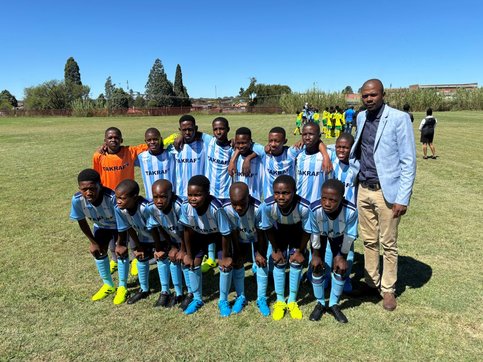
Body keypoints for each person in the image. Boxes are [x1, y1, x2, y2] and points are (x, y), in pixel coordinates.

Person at [350, 78, 416, 311]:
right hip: (364, 189)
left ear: (382, 94)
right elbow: (357, 149)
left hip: (386, 192)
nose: (368, 99)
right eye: (365, 96)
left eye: (373, 95)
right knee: (368, 241)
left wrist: (402, 197)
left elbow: (408, 161)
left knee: (388, 243)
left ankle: (388, 289)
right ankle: (371, 282)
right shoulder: (360, 117)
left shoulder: (399, 119)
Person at [93, 127, 148, 274]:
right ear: (105, 141)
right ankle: (115, 260)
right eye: (110, 138)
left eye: (116, 137)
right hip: (108, 201)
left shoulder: (129, 152)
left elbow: (151, 142)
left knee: (130, 229)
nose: (113, 140)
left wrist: (171, 139)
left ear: (121, 140)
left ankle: (136, 258)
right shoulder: (99, 156)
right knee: (112, 230)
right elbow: (96, 179)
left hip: (127, 200)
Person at [179, 175, 233, 316]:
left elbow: (225, 234)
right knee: (193, 263)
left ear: (207, 194)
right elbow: (186, 231)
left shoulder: (216, 208)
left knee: (225, 266)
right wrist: (188, 254)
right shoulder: (186, 206)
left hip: (217, 236)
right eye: (190, 195)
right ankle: (197, 299)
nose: (193, 198)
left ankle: (223, 300)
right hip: (198, 235)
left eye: (197, 195)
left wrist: (225, 256)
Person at [260, 175, 311, 320]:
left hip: (297, 233)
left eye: (286, 193)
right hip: (279, 233)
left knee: (296, 261)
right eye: (277, 193)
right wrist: (275, 250)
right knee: (279, 262)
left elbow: (307, 231)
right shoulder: (267, 206)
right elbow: (268, 229)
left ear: (295, 192)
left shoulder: (304, 207)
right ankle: (280, 300)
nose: (280, 197)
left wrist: (300, 251)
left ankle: (292, 301)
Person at [69, 169, 123, 303]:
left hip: (120, 227)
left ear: (100, 184)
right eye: (84, 189)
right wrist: (93, 242)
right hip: (101, 226)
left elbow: (123, 220)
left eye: (92, 188)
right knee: (97, 251)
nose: (88, 192)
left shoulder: (111, 198)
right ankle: (108, 285)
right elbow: (81, 221)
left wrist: (120, 243)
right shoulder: (77, 200)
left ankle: (123, 286)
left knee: (121, 252)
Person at [308, 179, 358, 323]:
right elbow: (315, 235)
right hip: (321, 236)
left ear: (342, 199)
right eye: (324, 198)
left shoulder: (351, 211)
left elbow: (350, 236)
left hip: (340, 236)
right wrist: (316, 255)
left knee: (341, 267)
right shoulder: (315, 209)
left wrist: (341, 256)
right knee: (316, 265)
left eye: (332, 200)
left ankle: (334, 304)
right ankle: (320, 303)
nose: (327, 203)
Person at [114, 179, 166, 305]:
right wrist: (138, 246)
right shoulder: (119, 209)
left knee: (161, 259)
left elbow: (155, 228)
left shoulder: (146, 208)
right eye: (117, 197)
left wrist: (158, 248)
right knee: (141, 257)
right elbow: (129, 227)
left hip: (161, 237)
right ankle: (144, 289)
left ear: (135, 197)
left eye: (122, 198)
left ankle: (165, 291)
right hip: (143, 237)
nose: (118, 201)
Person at [224, 182, 270, 316]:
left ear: (248, 198)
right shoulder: (226, 209)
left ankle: (261, 298)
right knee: (238, 262)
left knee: (261, 262)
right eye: (234, 204)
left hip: (257, 237)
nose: (238, 208)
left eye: (242, 204)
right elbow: (232, 233)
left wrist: (260, 252)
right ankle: (241, 297)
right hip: (239, 238)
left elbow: (262, 234)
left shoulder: (258, 208)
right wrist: (237, 252)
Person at [147, 179, 193, 309]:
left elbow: (187, 230)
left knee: (183, 259)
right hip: (174, 239)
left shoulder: (181, 206)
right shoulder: (152, 207)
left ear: (171, 195)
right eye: (155, 197)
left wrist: (183, 250)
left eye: (163, 197)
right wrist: (170, 247)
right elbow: (159, 227)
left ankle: (190, 293)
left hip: (190, 239)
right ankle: (177, 293)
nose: (159, 201)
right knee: (172, 258)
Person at [325, 132, 358, 293]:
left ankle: (344, 278)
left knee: (348, 246)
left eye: (345, 147)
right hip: (330, 212)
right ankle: (325, 277)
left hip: (349, 213)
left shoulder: (356, 166)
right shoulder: (330, 160)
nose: (341, 150)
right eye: (339, 146)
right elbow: (321, 144)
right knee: (328, 246)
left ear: (352, 149)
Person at [136, 128, 176, 201]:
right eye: (149, 140)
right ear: (145, 141)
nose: (152, 142)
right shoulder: (141, 157)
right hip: (151, 201)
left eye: (155, 139)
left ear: (161, 139)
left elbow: (180, 138)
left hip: (170, 200)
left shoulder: (171, 154)